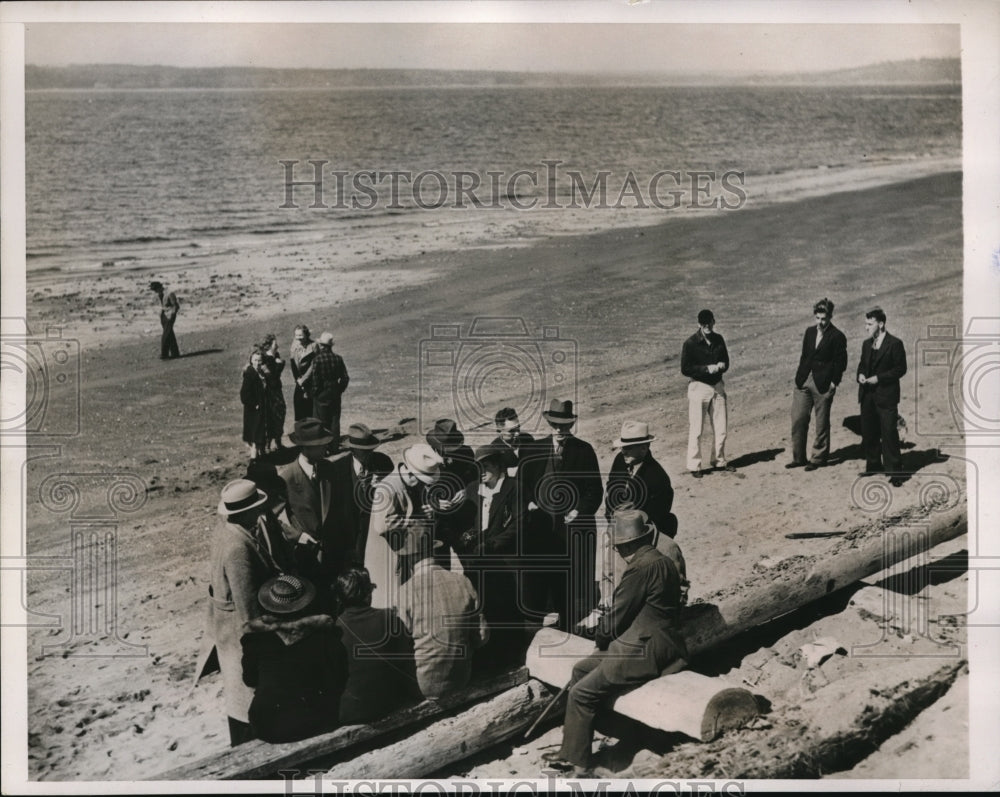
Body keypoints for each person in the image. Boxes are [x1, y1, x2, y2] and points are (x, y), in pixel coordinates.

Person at [543, 509, 687, 776]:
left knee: (582, 693)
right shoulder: (661, 560)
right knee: (580, 670)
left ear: (630, 544)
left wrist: (599, 639)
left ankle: (580, 765)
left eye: (620, 546)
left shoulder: (640, 569)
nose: (618, 551)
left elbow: (615, 617)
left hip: (647, 650)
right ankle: (573, 748)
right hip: (651, 641)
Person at [203, 479, 291, 746]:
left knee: (237, 697)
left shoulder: (227, 531)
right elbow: (247, 608)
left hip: (225, 629)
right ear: (248, 512)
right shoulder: (238, 547)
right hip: (238, 635)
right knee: (247, 699)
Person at [519, 399, 603, 631]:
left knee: (573, 576)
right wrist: (530, 504)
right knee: (542, 573)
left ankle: (572, 621)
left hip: (571, 527)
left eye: (565, 426)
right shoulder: (532, 450)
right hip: (541, 527)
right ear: (549, 424)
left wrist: (579, 511)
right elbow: (521, 486)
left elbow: (594, 490)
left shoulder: (584, 450)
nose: (560, 430)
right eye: (556, 425)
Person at [240, 574, 348, 744]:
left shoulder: (254, 639)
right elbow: (337, 678)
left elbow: (249, 679)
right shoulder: (323, 634)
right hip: (311, 720)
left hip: (266, 725)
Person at [452, 444, 528, 663]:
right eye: (479, 466)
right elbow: (463, 521)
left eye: (486, 465)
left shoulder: (514, 488)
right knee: (484, 606)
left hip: (506, 559)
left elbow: (519, 524)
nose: (482, 471)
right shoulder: (473, 489)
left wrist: (492, 544)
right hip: (478, 560)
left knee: (506, 606)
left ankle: (512, 654)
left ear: (499, 465)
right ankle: (488, 654)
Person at [396, 532, 489, 699]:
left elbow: (402, 646)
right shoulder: (463, 581)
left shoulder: (404, 592)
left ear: (409, 558)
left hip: (424, 685)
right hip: (462, 677)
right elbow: (482, 637)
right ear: (433, 551)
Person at [273, 419, 354, 590]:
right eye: (320, 445)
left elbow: (340, 509)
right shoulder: (286, 477)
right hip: (305, 555)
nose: (326, 448)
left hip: (334, 551)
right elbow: (271, 519)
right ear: (305, 448)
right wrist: (297, 536)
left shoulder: (330, 469)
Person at [364, 444, 444, 613]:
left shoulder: (413, 485)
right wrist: (417, 521)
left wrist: (427, 512)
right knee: (390, 602)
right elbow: (383, 525)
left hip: (406, 553)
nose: (424, 487)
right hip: (388, 558)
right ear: (409, 472)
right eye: (423, 481)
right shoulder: (387, 489)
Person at [334, 567, 418, 724]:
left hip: (349, 712)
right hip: (386, 705)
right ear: (368, 593)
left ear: (339, 598)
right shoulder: (389, 619)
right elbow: (408, 666)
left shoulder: (335, 629)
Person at [787, 298, 848, 471]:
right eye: (818, 318)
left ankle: (818, 458)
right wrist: (799, 376)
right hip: (804, 380)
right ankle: (798, 458)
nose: (820, 322)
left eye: (824, 319)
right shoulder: (809, 332)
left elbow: (841, 362)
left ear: (830, 317)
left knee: (821, 423)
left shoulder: (837, 336)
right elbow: (804, 356)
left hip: (823, 384)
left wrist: (834, 383)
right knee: (798, 418)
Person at [328, 423, 394, 565]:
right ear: (352, 450)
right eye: (364, 451)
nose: (369, 454)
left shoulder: (384, 463)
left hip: (376, 534)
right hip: (350, 537)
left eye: (371, 449)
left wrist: (382, 486)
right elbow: (335, 510)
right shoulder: (337, 469)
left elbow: (393, 496)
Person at [856, 307, 908, 486]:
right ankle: (873, 464)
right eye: (866, 323)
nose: (866, 327)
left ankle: (895, 472)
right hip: (867, 395)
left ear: (881, 324)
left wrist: (879, 378)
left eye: (869, 324)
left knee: (889, 432)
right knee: (869, 432)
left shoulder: (895, 344)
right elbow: (862, 365)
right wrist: (861, 375)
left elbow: (901, 369)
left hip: (886, 395)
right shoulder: (866, 344)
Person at [680, 308, 733, 477]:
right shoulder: (690, 343)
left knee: (721, 427)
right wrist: (706, 369)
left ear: (713, 322)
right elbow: (685, 369)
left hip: (717, 386)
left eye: (709, 322)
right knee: (696, 429)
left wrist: (722, 365)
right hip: (699, 388)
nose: (707, 326)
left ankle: (719, 461)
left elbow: (726, 360)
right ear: (699, 324)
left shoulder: (719, 340)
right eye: (703, 324)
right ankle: (695, 466)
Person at [425, 418, 477, 561]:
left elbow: (475, 478)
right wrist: (434, 503)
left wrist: (467, 491)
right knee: (440, 564)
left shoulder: (466, 452)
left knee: (470, 559)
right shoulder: (423, 457)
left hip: (463, 516)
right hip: (438, 521)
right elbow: (417, 489)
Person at [306, 332, 350, 448]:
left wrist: (314, 393)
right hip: (335, 392)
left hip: (321, 393)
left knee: (321, 421)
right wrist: (339, 389)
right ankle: (334, 446)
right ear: (331, 346)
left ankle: (323, 446)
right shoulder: (338, 359)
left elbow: (315, 380)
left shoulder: (317, 360)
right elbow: (345, 378)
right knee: (335, 420)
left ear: (321, 346)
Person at [259, 333, 287, 452]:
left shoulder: (275, 355)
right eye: (275, 343)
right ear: (270, 344)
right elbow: (271, 376)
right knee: (269, 416)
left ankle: (278, 441)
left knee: (280, 413)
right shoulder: (264, 358)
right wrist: (280, 364)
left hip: (276, 390)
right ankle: (268, 444)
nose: (277, 345)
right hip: (268, 391)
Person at [240, 349, 269, 461]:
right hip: (253, 412)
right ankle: (254, 460)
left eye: (260, 360)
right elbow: (244, 395)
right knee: (255, 438)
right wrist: (254, 404)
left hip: (260, 410)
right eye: (255, 360)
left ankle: (262, 457)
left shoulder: (260, 373)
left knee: (260, 435)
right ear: (251, 361)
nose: (258, 363)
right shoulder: (250, 374)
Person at [490, 407, 536, 477]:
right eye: (511, 431)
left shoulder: (528, 439)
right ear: (499, 432)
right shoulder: (493, 450)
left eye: (518, 428)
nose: (517, 433)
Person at [289, 324, 317, 422]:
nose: (298, 338)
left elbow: (314, 365)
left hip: (310, 382)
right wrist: (298, 380)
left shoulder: (314, 346)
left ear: (306, 334)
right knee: (299, 408)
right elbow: (292, 364)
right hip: (299, 382)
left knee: (310, 410)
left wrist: (304, 379)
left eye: (300, 336)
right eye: (296, 336)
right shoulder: (294, 346)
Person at [149, 280, 180, 359]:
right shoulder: (159, 294)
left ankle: (164, 354)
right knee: (170, 334)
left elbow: (175, 306)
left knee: (165, 336)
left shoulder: (169, 293)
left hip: (170, 316)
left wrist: (172, 315)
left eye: (155, 290)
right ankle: (175, 353)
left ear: (159, 287)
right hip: (163, 316)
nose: (155, 292)